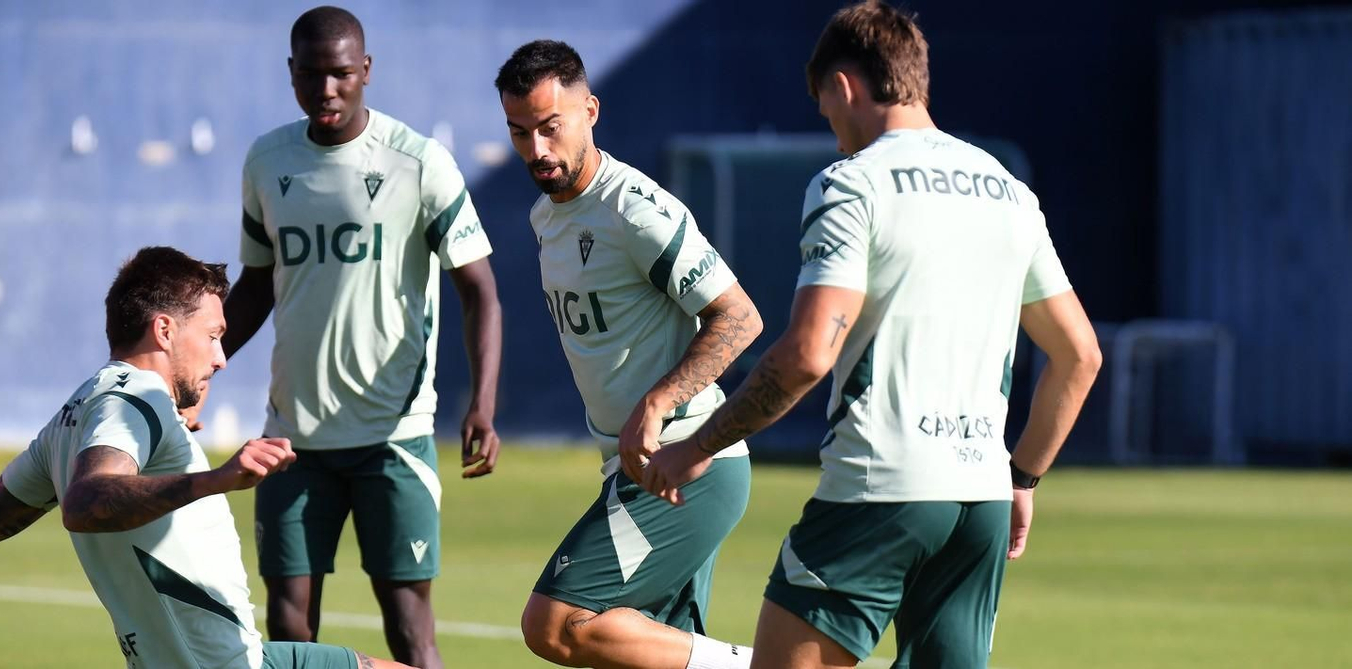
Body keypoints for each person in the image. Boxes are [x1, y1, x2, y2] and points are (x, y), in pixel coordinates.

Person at [643, 3, 1104, 668]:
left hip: (880, 488)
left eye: (826, 110)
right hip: (979, 497)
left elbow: (808, 354)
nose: (834, 137)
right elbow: (1079, 355)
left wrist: (698, 445)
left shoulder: (852, 183)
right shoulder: (1010, 193)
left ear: (843, 85)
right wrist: (1022, 477)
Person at [0, 246, 411, 669]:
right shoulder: (138, 400)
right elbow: (85, 501)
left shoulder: (75, 414)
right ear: (164, 330)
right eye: (213, 335)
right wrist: (215, 479)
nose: (221, 358)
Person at [220, 7, 502, 666]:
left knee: (409, 628)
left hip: (392, 435)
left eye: (342, 73)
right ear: (291, 73)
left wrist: (483, 403)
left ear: (366, 70)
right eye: (311, 74)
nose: (327, 89)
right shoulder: (266, 161)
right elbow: (256, 286)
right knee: (288, 629)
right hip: (292, 436)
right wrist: (199, 372)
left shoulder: (419, 162)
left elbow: (480, 291)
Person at [495, 40, 763, 669]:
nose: (536, 149)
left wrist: (658, 402)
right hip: (634, 468)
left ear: (590, 111)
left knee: (554, 623)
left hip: (687, 463)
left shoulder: (635, 210)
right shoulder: (545, 216)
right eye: (519, 132)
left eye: (550, 127)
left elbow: (740, 317)